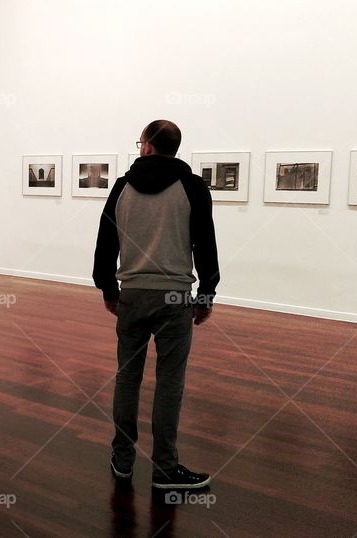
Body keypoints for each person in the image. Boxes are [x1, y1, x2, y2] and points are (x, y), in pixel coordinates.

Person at [92, 119, 220, 489]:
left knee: (127, 378)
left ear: (147, 146)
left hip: (132, 293)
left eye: (140, 141)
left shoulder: (121, 188)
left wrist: (108, 290)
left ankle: (122, 460)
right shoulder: (193, 187)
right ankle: (165, 468)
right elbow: (205, 245)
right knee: (169, 382)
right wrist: (206, 294)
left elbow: (105, 245)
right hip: (175, 296)